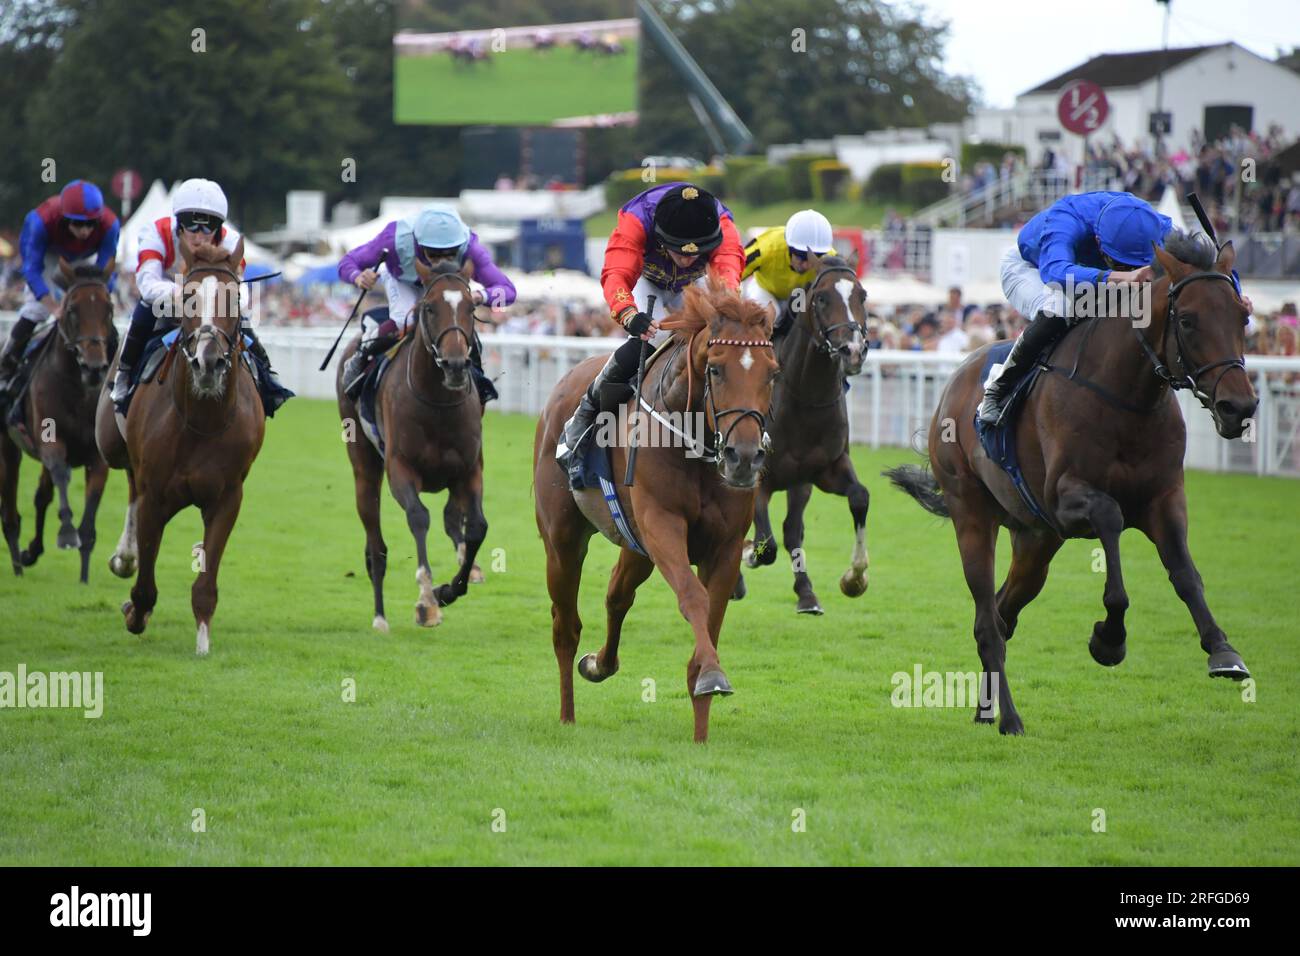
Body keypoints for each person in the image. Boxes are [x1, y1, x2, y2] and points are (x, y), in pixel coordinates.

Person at [554, 182, 744, 485]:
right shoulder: (636, 220)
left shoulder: (722, 225)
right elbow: (616, 274)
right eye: (679, 251)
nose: (687, 258)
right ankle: (584, 416)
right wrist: (629, 313)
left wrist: (728, 308)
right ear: (659, 235)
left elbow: (728, 273)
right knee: (647, 339)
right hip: (647, 281)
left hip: (692, 287)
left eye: (695, 253)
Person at [978, 191, 1172, 425]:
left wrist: (1228, 282)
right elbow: (1056, 273)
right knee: (1058, 308)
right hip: (1031, 268)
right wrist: (1121, 276)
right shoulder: (1065, 219)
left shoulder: (1153, 224)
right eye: (1120, 261)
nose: (1128, 268)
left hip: (1085, 273)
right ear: (1099, 241)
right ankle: (998, 389)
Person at [109, 178, 292, 415]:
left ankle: (267, 378)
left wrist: (221, 301)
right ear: (179, 223)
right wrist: (185, 295)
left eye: (207, 227)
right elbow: (147, 283)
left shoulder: (231, 241)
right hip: (168, 300)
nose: (198, 236)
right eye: (191, 226)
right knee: (145, 307)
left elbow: (242, 290)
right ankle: (124, 373)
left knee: (241, 320)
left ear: (218, 227)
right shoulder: (155, 232)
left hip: (213, 304)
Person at [337, 204, 514, 403]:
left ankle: (478, 380)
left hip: (444, 286)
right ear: (418, 244)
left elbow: (508, 292)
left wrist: (481, 296)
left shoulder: (471, 248)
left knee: (458, 328)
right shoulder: (392, 239)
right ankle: (362, 354)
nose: (440, 262)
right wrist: (358, 277)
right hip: (403, 280)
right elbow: (347, 262)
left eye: (450, 254)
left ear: (459, 246)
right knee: (404, 319)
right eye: (434, 254)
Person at [0, 180, 119, 403]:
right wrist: (53, 305)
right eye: (78, 224)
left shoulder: (110, 225)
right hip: (50, 255)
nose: (85, 231)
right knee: (37, 311)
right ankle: (7, 367)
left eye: (91, 224)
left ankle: (119, 375)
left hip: (87, 259)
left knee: (96, 308)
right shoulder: (40, 222)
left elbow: (106, 276)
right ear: (64, 219)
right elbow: (32, 270)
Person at [739, 208, 835, 338]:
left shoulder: (830, 258)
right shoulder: (766, 247)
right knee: (766, 315)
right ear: (789, 248)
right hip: (765, 289)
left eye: (814, 258)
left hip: (800, 293)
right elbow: (733, 272)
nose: (807, 265)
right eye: (801, 257)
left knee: (805, 320)